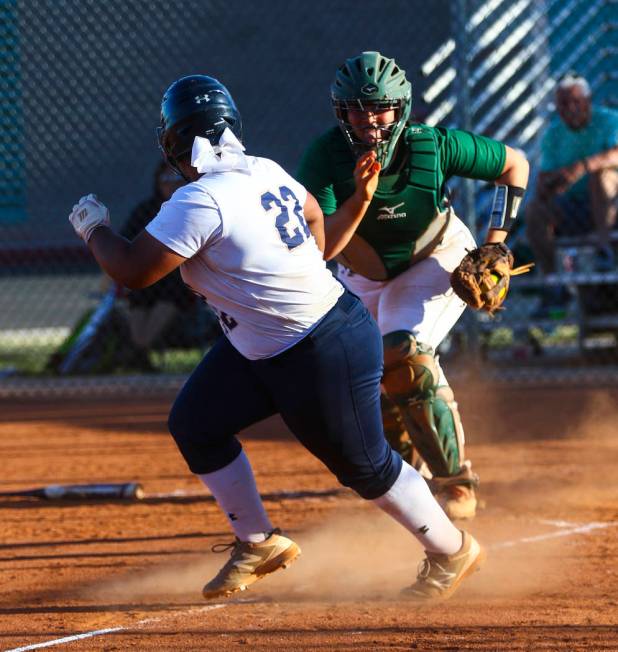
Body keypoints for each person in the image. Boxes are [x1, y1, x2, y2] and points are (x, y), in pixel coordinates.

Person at [68, 74, 485, 601]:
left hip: (320, 346)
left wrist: (93, 227)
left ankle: (451, 550)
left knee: (366, 467)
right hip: (265, 345)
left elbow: (131, 271)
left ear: (175, 141)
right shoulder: (264, 169)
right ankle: (258, 541)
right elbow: (314, 216)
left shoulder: (199, 200)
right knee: (196, 425)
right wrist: (304, 262)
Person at [296, 51, 530, 520]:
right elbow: (322, 249)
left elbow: (515, 165)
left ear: (400, 108)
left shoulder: (431, 145)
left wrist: (496, 245)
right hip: (361, 274)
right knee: (363, 378)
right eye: (355, 109)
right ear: (339, 111)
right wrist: (361, 197)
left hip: (433, 259)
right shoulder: (324, 157)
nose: (368, 119)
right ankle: (408, 473)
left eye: (380, 106)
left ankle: (455, 481)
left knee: (403, 353)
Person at [525, 74, 618, 316]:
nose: (570, 108)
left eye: (576, 101)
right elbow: (544, 179)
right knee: (534, 210)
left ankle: (603, 250)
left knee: (601, 177)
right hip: (571, 207)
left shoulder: (609, 121)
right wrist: (556, 181)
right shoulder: (554, 134)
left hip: (611, 207)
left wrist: (582, 167)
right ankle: (555, 284)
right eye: (564, 104)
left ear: (588, 100)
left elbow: (615, 154)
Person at [117, 161, 197, 371]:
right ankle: (140, 360)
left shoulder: (192, 207)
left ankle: (140, 355)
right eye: (165, 180)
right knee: (138, 322)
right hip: (146, 286)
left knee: (147, 332)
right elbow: (125, 244)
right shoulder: (146, 209)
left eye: (176, 180)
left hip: (176, 287)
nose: (170, 185)